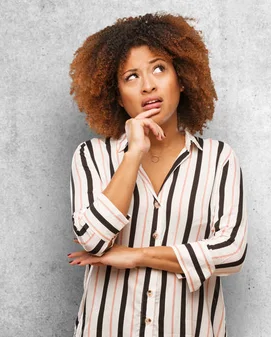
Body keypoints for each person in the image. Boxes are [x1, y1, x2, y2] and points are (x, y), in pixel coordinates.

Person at [66, 13, 248, 337]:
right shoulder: (91, 156)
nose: (148, 85)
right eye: (131, 77)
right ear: (118, 96)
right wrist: (133, 153)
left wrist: (137, 256)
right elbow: (93, 241)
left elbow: (232, 251)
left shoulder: (218, 159)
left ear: (181, 79)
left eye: (159, 68)